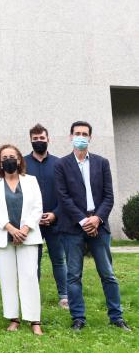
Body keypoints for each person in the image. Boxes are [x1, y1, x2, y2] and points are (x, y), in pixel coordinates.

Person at [55, 121, 131, 332]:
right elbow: (63, 197)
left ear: (90, 138)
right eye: (77, 133)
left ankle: (116, 317)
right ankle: (78, 318)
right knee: (73, 275)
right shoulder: (61, 165)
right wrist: (83, 221)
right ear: (70, 137)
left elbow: (108, 196)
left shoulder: (102, 163)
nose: (81, 137)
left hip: (99, 225)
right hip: (72, 227)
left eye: (85, 134)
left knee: (108, 273)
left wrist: (97, 219)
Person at [0, 144, 43, 335]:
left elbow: (37, 207)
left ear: (19, 160)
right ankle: (14, 318)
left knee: (29, 276)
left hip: (28, 236)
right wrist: (10, 228)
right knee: (7, 278)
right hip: (3, 236)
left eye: (12, 156)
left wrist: (25, 229)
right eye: (4, 157)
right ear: (0, 163)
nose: (8, 160)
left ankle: (34, 320)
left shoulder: (31, 180)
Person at [23, 123, 68, 309]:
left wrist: (55, 214)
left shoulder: (60, 164)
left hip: (55, 220)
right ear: (30, 141)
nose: (39, 142)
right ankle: (34, 295)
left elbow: (66, 192)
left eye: (42, 138)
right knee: (33, 260)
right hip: (31, 222)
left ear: (48, 139)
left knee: (58, 259)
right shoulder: (22, 164)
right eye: (35, 139)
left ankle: (64, 296)